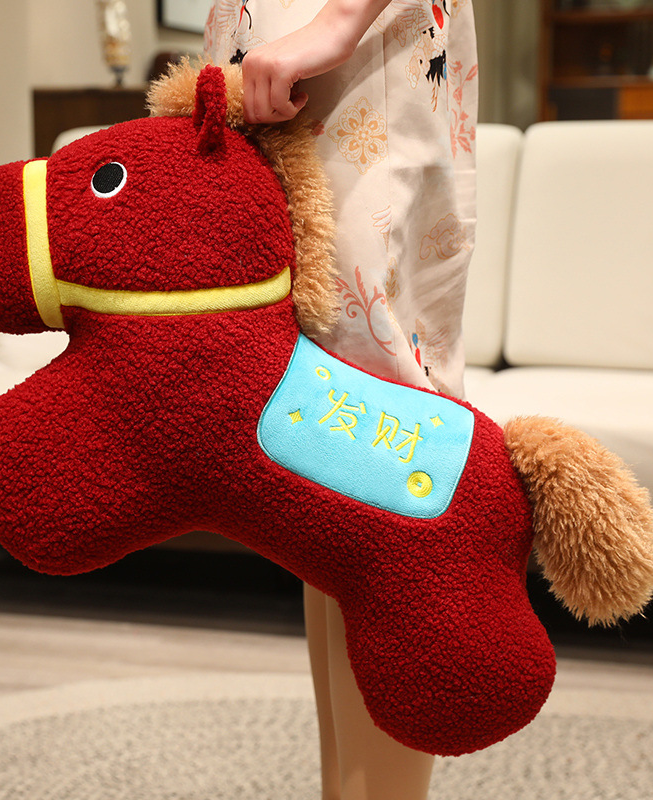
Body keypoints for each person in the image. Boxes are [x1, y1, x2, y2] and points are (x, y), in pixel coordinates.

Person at [205, 2, 478, 798]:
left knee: (381, 447)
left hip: (353, 43)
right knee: (324, 448)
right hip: (269, 42)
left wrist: (338, 22)